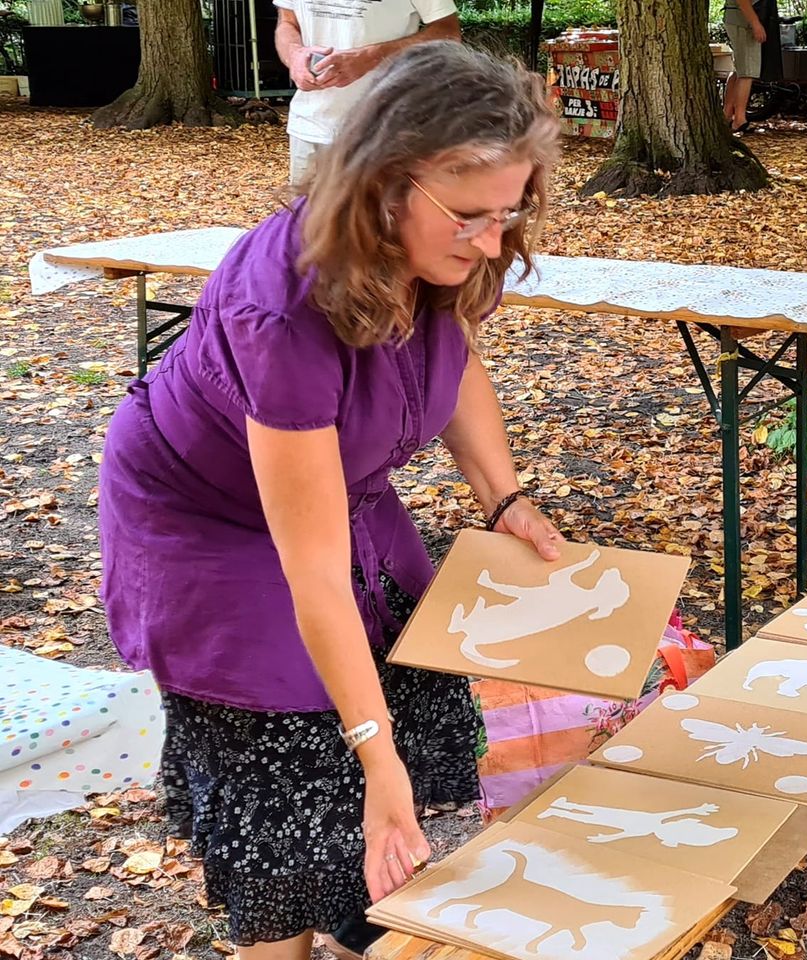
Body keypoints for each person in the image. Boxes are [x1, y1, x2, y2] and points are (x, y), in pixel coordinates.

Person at [97, 43, 561, 960]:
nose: (494, 242)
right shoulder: (284, 310)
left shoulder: (443, 246)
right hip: (210, 524)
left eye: (509, 213)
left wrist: (504, 497)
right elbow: (309, 572)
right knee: (295, 779)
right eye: (469, 215)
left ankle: (365, 911)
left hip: (341, 493)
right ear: (385, 184)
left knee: (407, 688)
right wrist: (370, 756)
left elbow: (454, 358)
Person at [274, 0, 462, 184]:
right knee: (304, 215)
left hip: (384, 130)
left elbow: (447, 32)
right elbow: (287, 22)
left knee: (375, 215)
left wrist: (372, 56)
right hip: (309, 125)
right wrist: (294, 55)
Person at [722, 0, 767, 134]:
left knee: (739, 70)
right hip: (743, 22)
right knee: (747, 72)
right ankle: (739, 119)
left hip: (737, 19)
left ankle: (727, 115)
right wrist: (755, 23)